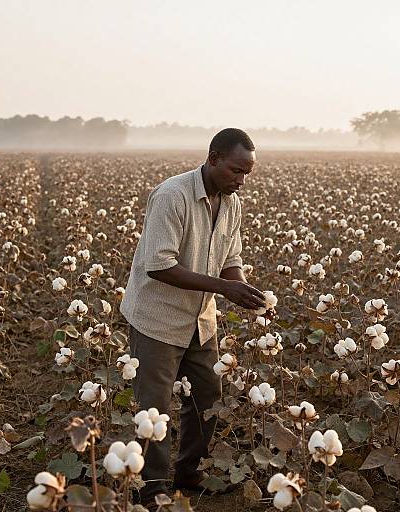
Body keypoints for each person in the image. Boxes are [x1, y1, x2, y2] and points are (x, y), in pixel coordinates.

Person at [119, 128, 266, 506]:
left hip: (201, 321)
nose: (241, 180)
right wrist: (223, 287)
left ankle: (189, 472)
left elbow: (230, 260)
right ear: (213, 158)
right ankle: (151, 486)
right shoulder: (172, 196)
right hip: (158, 320)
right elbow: (159, 265)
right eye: (236, 170)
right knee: (154, 408)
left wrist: (243, 289)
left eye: (248, 173)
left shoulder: (232, 204)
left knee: (207, 397)